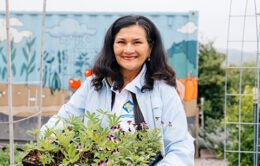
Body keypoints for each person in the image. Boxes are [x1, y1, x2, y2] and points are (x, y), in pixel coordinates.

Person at [41, 14, 194, 165]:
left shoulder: (163, 90)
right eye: (121, 42)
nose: (128, 49)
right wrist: (49, 136)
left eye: (137, 42)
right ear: (112, 47)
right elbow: (64, 119)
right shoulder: (94, 84)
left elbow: (180, 148)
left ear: (150, 49)